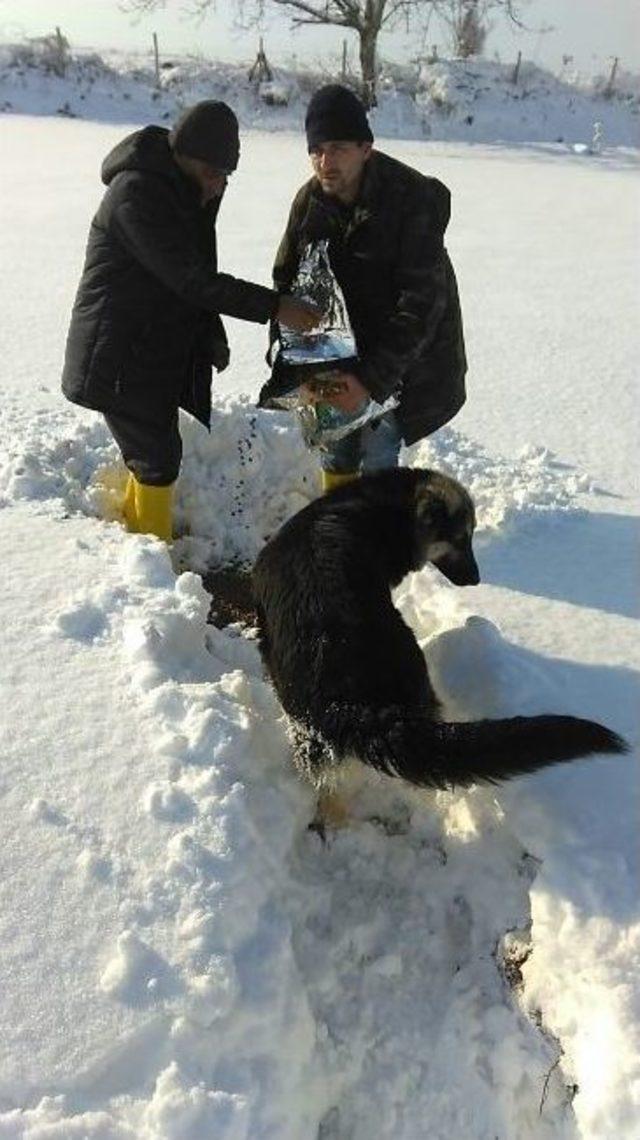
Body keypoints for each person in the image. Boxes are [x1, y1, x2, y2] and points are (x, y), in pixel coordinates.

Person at [62, 100, 318, 540]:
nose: (218, 186)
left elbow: (190, 276)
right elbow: (191, 279)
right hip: (116, 350)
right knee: (157, 456)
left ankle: (134, 531)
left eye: (224, 176)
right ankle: (149, 552)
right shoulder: (137, 194)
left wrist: (207, 334)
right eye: (211, 173)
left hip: (145, 347)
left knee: (154, 450)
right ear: (181, 157)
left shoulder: (185, 189)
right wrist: (277, 306)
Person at [273, 84, 467, 493]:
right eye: (316, 150)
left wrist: (370, 382)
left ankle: (379, 548)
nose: (326, 162)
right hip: (340, 353)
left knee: (379, 454)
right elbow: (287, 289)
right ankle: (339, 537)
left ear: (366, 148)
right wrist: (300, 371)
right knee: (335, 446)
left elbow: (422, 303)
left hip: (402, 358)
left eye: (339, 148)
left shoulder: (409, 199)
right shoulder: (309, 204)